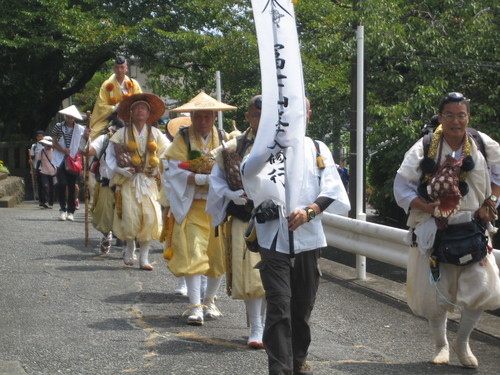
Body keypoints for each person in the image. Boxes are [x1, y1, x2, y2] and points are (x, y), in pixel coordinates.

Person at [241, 98, 350, 375]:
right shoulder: (265, 148)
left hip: (308, 239)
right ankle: (280, 370)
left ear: (309, 114)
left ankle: (298, 360)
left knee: (301, 309)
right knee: (279, 305)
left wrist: (310, 212)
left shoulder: (317, 148)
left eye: (302, 112)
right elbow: (247, 175)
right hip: (272, 240)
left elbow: (332, 189)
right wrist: (268, 142)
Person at [394, 92, 500, 368]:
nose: (456, 121)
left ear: (468, 117)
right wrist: (429, 208)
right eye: (450, 115)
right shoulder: (425, 147)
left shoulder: (481, 143)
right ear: (441, 118)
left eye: (461, 115)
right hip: (436, 228)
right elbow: (402, 187)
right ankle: (441, 345)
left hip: (473, 226)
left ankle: (462, 342)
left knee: (480, 288)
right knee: (435, 291)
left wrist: (491, 201)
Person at [164, 91, 236, 325]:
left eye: (207, 117)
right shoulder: (183, 138)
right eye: (198, 117)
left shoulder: (224, 137)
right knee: (194, 252)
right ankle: (194, 305)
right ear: (191, 118)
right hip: (193, 204)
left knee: (217, 256)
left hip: (217, 207)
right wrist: (198, 178)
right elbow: (174, 169)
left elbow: (233, 167)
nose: (203, 121)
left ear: (214, 117)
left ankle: (210, 300)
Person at [207, 95, 266, 348]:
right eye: (255, 115)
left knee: (274, 276)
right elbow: (216, 176)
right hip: (244, 216)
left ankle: (267, 324)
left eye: (264, 116)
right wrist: (231, 194)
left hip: (278, 218)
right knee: (250, 275)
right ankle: (257, 327)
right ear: (248, 117)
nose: (260, 120)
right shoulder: (235, 145)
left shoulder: (284, 143)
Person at [106, 93, 169, 270]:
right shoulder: (121, 133)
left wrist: (158, 166)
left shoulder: (156, 133)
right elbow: (109, 156)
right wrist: (119, 170)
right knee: (129, 215)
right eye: (137, 108)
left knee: (150, 216)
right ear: (131, 113)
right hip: (128, 180)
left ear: (149, 114)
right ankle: (129, 247)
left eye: (144, 108)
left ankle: (145, 257)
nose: (140, 111)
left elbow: (167, 152)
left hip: (148, 181)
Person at [85, 118, 124, 254]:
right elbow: (88, 151)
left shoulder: (133, 139)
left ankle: (128, 246)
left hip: (126, 185)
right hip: (106, 183)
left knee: (127, 216)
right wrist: (86, 138)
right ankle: (106, 235)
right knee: (102, 216)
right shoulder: (104, 139)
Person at [89, 55, 142, 140]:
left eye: (122, 67)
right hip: (111, 117)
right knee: (93, 135)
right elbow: (101, 105)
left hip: (130, 117)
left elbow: (140, 102)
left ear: (126, 68)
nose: (119, 70)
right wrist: (116, 107)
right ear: (114, 69)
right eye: (117, 67)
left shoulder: (133, 84)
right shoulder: (106, 85)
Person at [51, 105, 86, 222]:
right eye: (68, 116)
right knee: (61, 184)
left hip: (74, 160)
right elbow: (54, 141)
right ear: (66, 116)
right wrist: (63, 150)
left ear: (74, 118)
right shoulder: (58, 126)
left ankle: (71, 211)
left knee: (72, 186)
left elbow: (85, 142)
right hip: (61, 159)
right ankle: (62, 209)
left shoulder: (80, 129)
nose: (70, 118)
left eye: (72, 117)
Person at [37, 136, 57, 208]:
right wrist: (37, 171)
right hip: (44, 172)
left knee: (52, 187)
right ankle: (44, 201)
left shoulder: (54, 151)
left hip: (53, 172)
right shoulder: (41, 152)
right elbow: (39, 162)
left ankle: (50, 202)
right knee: (45, 186)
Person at [29, 130, 45, 205]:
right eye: (38, 136)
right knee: (38, 182)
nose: (40, 138)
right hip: (37, 166)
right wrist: (30, 159)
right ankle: (39, 197)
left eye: (41, 136)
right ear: (36, 137)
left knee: (46, 182)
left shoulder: (47, 145)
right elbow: (31, 155)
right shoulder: (34, 146)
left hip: (46, 167)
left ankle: (46, 197)